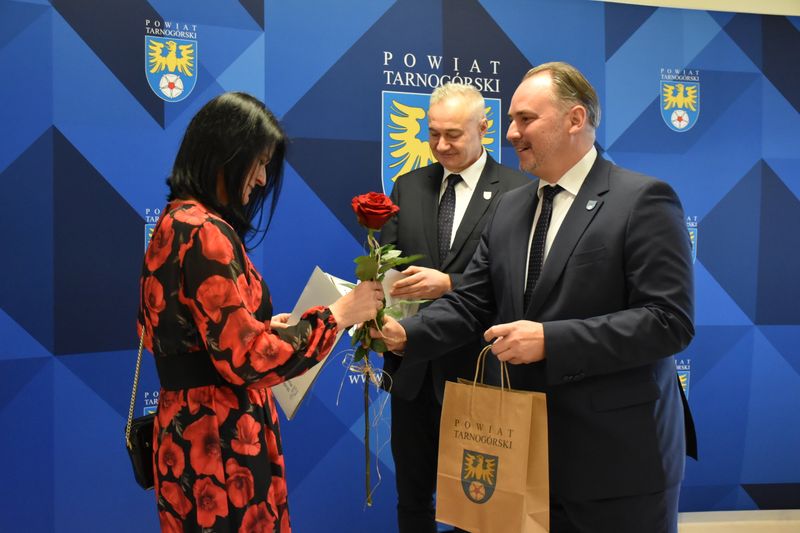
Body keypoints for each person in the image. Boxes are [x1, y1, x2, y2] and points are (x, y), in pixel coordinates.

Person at [377, 62, 697, 533]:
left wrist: (550, 340)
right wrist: (405, 334)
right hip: (521, 455)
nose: (511, 133)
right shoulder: (510, 208)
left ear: (575, 119)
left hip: (615, 460)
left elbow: (668, 321)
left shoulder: (642, 200)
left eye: (525, 119)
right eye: (511, 120)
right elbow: (472, 301)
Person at [137, 92, 383, 532]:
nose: (264, 178)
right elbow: (248, 359)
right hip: (220, 441)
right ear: (227, 153)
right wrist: (338, 314)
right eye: (260, 162)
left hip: (185, 433)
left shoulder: (175, 221)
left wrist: (260, 326)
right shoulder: (207, 232)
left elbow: (182, 333)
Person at [380, 82, 529, 533]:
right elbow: (387, 265)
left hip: (479, 371)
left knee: (479, 507)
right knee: (412, 498)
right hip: (413, 372)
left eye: (453, 135)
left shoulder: (520, 191)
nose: (441, 145)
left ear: (483, 128)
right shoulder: (408, 186)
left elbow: (520, 283)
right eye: (433, 134)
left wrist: (451, 284)